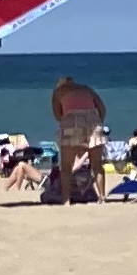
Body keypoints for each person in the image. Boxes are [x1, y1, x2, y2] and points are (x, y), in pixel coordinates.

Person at [49, 76, 105, 204]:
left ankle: (67, 199)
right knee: (97, 165)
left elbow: (58, 115)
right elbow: (102, 108)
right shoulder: (86, 89)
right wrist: (99, 121)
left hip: (71, 121)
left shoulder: (58, 92)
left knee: (67, 166)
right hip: (93, 120)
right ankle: (102, 196)